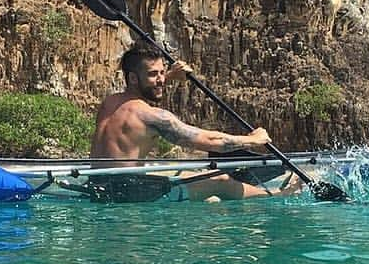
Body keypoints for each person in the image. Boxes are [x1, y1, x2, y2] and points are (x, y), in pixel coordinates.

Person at [90, 42, 299, 200]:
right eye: (154, 75)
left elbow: (138, 93)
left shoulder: (110, 103)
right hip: (128, 195)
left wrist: (171, 76)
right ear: (134, 78)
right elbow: (213, 142)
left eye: (162, 73)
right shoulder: (152, 116)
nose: (161, 80)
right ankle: (279, 196)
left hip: (97, 186)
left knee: (195, 180)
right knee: (221, 180)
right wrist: (254, 140)